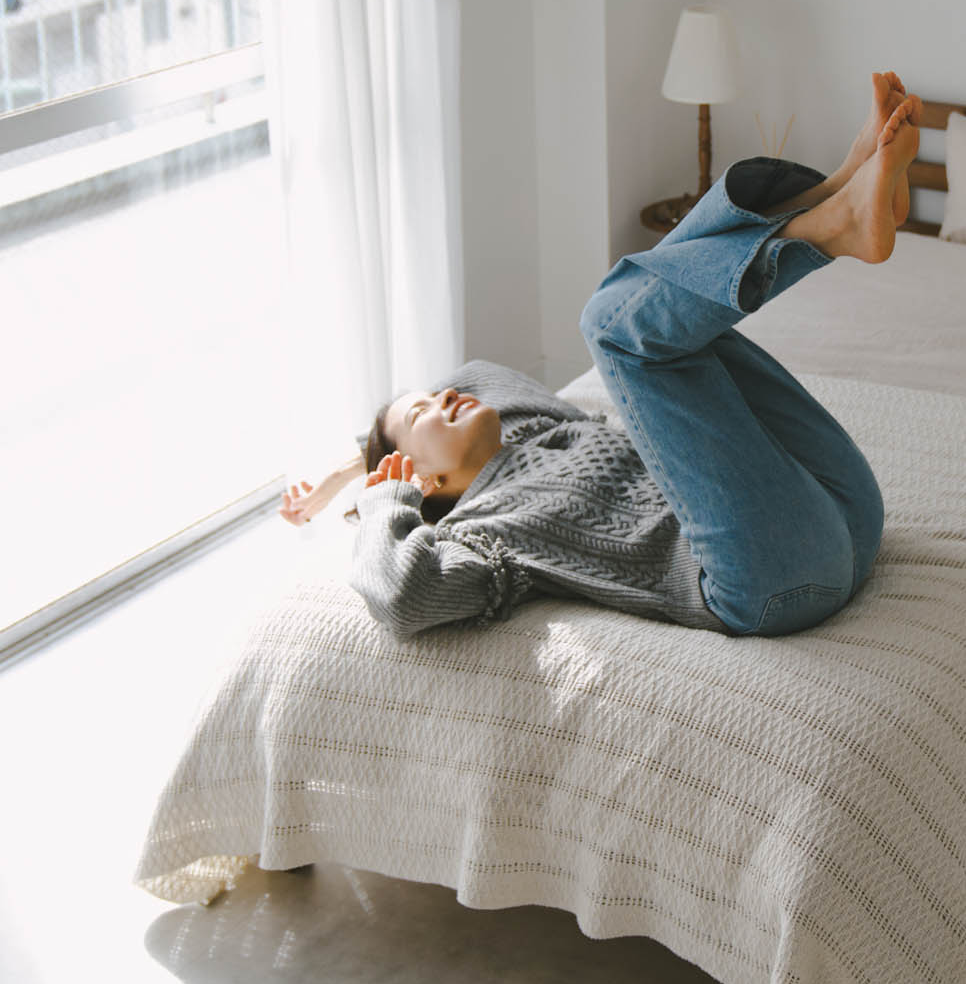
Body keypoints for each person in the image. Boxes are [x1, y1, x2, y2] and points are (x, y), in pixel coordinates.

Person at [280, 75, 923, 642]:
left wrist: (347, 467)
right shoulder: (482, 531)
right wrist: (381, 497)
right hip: (770, 578)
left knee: (663, 309)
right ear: (426, 483)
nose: (444, 396)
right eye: (423, 413)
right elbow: (405, 597)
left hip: (845, 511)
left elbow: (476, 375)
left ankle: (834, 197)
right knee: (613, 328)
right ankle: (824, 223)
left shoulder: (541, 428)